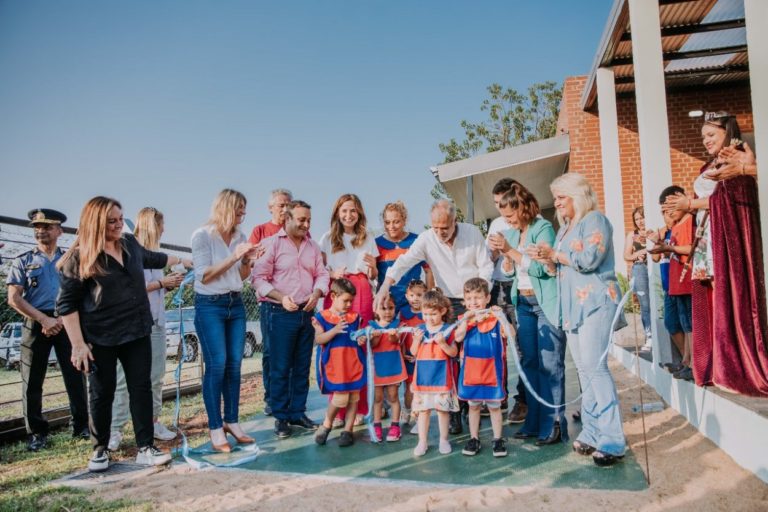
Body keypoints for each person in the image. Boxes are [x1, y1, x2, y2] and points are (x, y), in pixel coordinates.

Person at [57, 197, 178, 472]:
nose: (118, 224)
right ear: (95, 223)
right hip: (101, 336)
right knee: (102, 392)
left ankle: (145, 446)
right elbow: (66, 305)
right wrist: (77, 345)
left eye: (120, 219)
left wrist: (189, 260)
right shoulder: (78, 259)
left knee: (141, 388)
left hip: (136, 331)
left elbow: (156, 257)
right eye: (111, 221)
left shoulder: (130, 245)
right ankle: (100, 450)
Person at [664, 112, 767, 396]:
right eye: (703, 137)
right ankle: (714, 364)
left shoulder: (738, 158)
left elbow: (731, 196)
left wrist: (691, 203)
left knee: (728, 298)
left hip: (726, 239)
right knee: (711, 301)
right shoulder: (712, 164)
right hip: (708, 240)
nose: (706, 141)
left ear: (727, 130)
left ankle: (736, 364)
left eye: (711, 135)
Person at [531, 173, 626, 467]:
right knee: (584, 371)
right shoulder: (564, 230)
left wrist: (556, 255)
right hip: (572, 306)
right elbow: (557, 269)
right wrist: (545, 259)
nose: (557, 203)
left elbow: (589, 260)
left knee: (596, 369)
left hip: (596, 301)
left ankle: (613, 438)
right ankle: (593, 430)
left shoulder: (595, 220)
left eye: (562, 197)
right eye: (556, 198)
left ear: (578, 196)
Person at [375, 199, 493, 434]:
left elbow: (486, 266)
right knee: (450, 357)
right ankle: (454, 413)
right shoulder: (427, 239)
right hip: (448, 302)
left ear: (454, 221)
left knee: (474, 354)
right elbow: (404, 261)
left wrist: (479, 303)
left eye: (445, 228)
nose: (440, 233)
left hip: (475, 300)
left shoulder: (472, 233)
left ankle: (483, 406)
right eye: (436, 228)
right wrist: (385, 285)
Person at [108, 207, 192, 451]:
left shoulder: (155, 254)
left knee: (156, 375)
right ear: (152, 224)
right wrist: (160, 283)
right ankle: (115, 428)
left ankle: (153, 422)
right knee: (125, 379)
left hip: (156, 320)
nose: (164, 229)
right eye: (162, 224)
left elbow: (151, 289)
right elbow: (128, 289)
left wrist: (167, 286)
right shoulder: (127, 249)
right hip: (133, 323)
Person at [6, 208, 88, 452]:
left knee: (75, 375)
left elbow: (80, 292)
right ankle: (36, 433)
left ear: (59, 231)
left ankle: (81, 426)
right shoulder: (23, 260)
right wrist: (44, 320)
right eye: (37, 227)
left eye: (47, 227)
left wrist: (62, 319)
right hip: (36, 323)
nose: (41, 231)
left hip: (66, 322)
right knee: (32, 381)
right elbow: (14, 298)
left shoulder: (69, 259)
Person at [496, 185, 567, 446]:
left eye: (511, 216)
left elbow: (543, 270)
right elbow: (511, 273)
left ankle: (555, 424)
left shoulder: (543, 228)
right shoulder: (515, 234)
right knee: (530, 365)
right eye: (505, 217)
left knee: (550, 366)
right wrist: (506, 259)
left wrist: (510, 252)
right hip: (522, 303)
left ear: (523, 208)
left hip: (544, 303)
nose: (509, 221)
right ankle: (535, 422)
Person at [252, 200, 329, 439]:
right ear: (287, 219)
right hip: (279, 312)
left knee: (301, 366)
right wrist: (281, 297)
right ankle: (281, 417)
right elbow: (258, 279)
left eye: (309, 220)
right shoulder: (271, 245)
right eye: (301, 220)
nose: (306, 225)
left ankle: (297, 412)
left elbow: (322, 274)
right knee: (280, 367)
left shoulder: (313, 247)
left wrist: (317, 293)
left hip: (306, 312)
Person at [191, 189, 261, 453]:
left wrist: (248, 261)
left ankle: (232, 421)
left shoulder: (240, 236)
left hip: (235, 302)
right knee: (217, 363)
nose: (243, 215)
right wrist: (234, 256)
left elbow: (240, 276)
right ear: (225, 208)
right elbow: (204, 276)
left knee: (235, 364)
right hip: (210, 305)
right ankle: (215, 426)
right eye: (239, 209)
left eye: (244, 209)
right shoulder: (202, 236)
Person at [319, 193, 378, 424]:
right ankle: (336, 409)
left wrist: (373, 268)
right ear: (337, 213)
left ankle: (358, 409)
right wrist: (333, 274)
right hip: (338, 290)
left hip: (361, 291)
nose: (348, 215)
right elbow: (320, 269)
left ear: (359, 212)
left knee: (357, 348)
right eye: (344, 210)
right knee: (336, 350)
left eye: (353, 210)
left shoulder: (368, 237)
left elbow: (374, 273)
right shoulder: (326, 238)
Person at [248, 188, 293, 417]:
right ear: (271, 207)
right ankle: (271, 398)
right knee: (270, 352)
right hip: (270, 301)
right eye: (281, 205)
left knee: (293, 353)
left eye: (288, 205)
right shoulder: (260, 231)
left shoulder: (298, 230)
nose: (285, 209)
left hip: (295, 302)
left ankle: (291, 398)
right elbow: (252, 260)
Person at [454, 278, 507, 457]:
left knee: (494, 407)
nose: (473, 302)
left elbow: (511, 334)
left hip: (492, 373)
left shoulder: (495, 318)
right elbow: (458, 338)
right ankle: (474, 438)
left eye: (477, 297)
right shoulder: (464, 319)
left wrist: (502, 317)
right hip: (471, 374)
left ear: (487, 298)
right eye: (469, 299)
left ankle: (498, 439)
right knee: (473, 407)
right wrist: (467, 321)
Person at [487, 178, 524, 422]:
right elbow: (487, 258)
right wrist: (493, 252)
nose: (500, 208)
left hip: (519, 287)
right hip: (497, 287)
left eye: (502, 202)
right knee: (495, 346)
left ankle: (523, 401)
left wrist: (510, 250)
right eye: (496, 204)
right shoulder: (496, 224)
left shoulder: (525, 220)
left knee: (521, 347)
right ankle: (498, 396)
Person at [312, 278, 365, 447]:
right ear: (333, 296)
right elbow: (319, 339)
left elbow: (356, 337)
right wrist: (334, 330)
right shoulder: (322, 317)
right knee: (340, 398)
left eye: (351, 301)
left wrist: (361, 339)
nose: (349, 304)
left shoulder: (354, 318)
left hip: (353, 363)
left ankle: (348, 431)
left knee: (353, 398)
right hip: (335, 364)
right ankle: (327, 424)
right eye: (346, 300)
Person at [410, 288, 459, 456]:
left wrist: (443, 344)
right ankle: (422, 442)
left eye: (433, 314)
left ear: (443, 311)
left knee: (442, 411)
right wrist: (416, 340)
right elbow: (413, 352)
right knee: (423, 411)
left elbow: (453, 353)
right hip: (423, 379)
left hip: (442, 378)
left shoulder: (448, 330)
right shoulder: (419, 330)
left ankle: (443, 440)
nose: (429, 318)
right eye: (425, 314)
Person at [653, 188, 694, 381]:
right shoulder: (675, 227)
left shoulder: (689, 222)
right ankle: (687, 361)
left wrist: (670, 247)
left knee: (690, 324)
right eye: (664, 210)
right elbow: (657, 256)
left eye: (671, 207)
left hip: (687, 280)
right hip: (675, 283)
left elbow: (692, 248)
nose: (668, 213)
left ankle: (692, 363)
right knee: (684, 324)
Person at [375, 201, 433, 312]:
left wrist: (428, 300)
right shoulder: (377, 243)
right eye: (387, 222)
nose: (391, 226)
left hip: (413, 302)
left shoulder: (416, 240)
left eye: (396, 222)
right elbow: (374, 275)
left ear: (404, 221)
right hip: (387, 302)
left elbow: (428, 270)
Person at [366, 292, 407, 442]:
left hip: (393, 365)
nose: (388, 312)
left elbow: (396, 341)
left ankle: (395, 426)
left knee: (393, 397)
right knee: (377, 399)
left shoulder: (398, 325)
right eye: (383, 308)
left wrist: (392, 335)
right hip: (377, 367)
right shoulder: (371, 326)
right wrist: (375, 336)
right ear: (375, 309)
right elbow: (373, 345)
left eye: (390, 308)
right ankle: (377, 426)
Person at [398, 279, 426, 430]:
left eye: (419, 295)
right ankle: (407, 411)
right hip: (407, 356)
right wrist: (403, 353)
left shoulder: (427, 314)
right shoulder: (403, 313)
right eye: (412, 295)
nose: (415, 298)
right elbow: (400, 337)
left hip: (422, 357)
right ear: (407, 296)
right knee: (408, 388)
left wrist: (420, 354)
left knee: (420, 388)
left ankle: (418, 416)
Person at [623, 207, 652, 347]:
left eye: (642, 217)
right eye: (637, 219)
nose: (640, 221)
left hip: (655, 267)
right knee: (645, 305)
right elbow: (626, 255)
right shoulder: (632, 235)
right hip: (640, 269)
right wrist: (639, 253)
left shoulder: (654, 231)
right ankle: (649, 336)